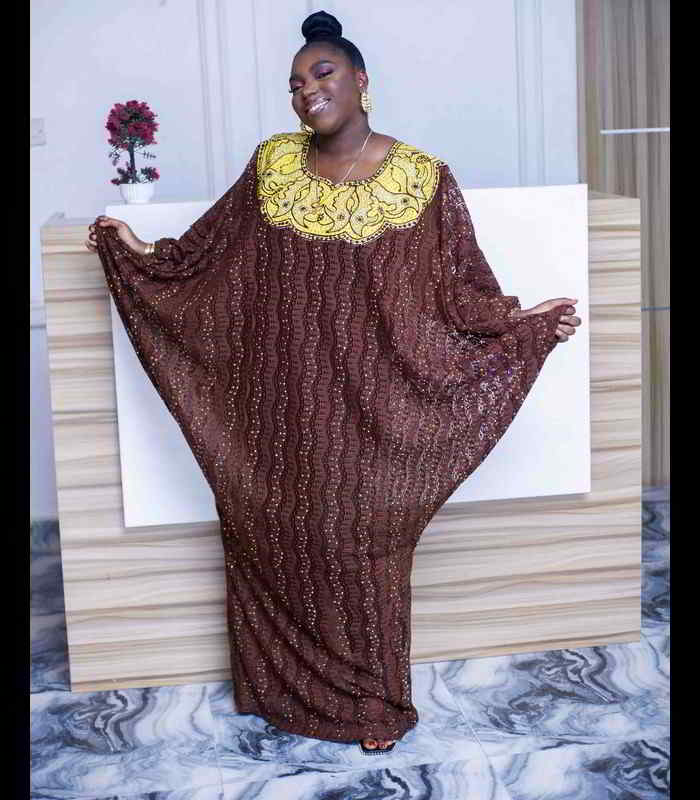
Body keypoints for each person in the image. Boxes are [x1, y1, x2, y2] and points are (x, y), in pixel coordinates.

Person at [86, 10, 581, 756]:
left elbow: (459, 291)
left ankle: (374, 703)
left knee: (364, 547)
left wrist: (520, 321)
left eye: (322, 73)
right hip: (279, 403)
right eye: (294, 83)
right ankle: (275, 688)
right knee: (276, 532)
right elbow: (207, 254)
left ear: (360, 81)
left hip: (374, 405)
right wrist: (140, 251)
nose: (306, 90)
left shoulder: (422, 178)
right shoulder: (272, 165)